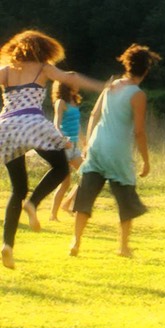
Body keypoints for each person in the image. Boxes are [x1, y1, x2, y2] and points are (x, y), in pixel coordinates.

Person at [0, 30, 105, 269]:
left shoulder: (5, 71)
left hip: (6, 128)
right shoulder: (43, 68)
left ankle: (7, 245)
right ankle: (34, 203)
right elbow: (72, 79)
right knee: (60, 169)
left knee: (18, 188)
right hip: (32, 123)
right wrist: (102, 86)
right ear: (43, 50)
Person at [70, 44, 161, 258]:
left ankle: (76, 241)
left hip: (97, 146)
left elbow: (94, 114)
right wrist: (146, 161)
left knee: (86, 195)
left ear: (127, 65)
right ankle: (123, 247)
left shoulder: (112, 85)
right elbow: (139, 132)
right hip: (117, 151)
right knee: (125, 199)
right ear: (146, 70)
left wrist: (88, 143)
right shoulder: (137, 95)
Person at [49, 80, 86, 221]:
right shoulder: (60, 102)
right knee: (65, 182)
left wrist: (84, 140)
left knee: (87, 174)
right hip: (63, 147)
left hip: (75, 146)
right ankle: (53, 215)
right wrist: (65, 141)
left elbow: (76, 124)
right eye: (74, 82)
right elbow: (56, 125)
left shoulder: (74, 102)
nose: (77, 85)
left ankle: (67, 203)